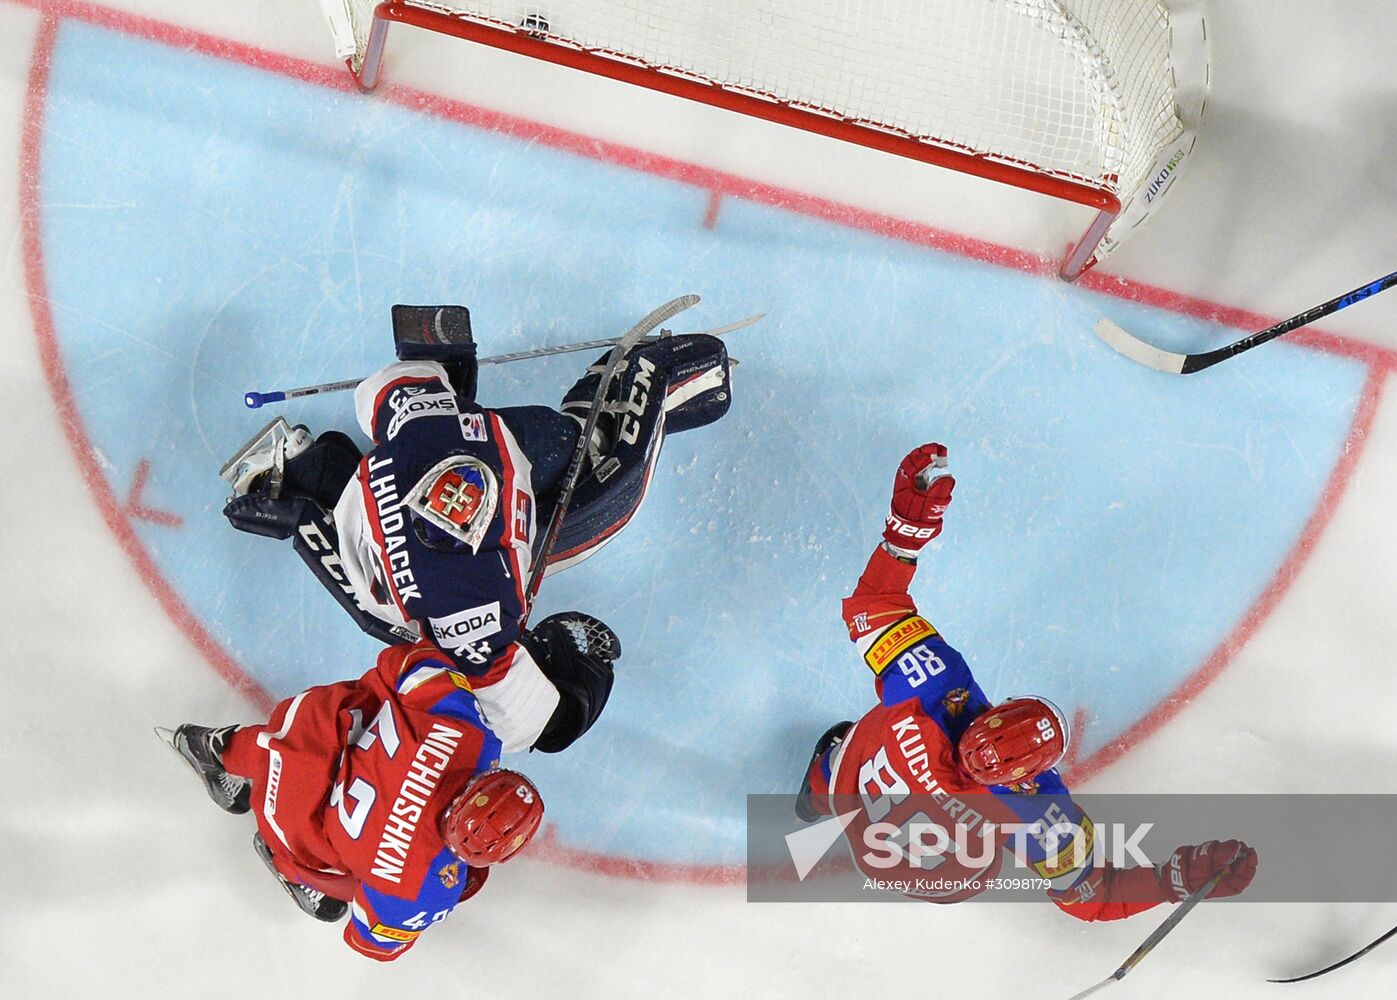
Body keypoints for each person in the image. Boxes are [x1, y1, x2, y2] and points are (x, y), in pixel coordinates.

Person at [220, 304, 732, 753]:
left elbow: (539, 722)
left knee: (576, 468)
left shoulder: (475, 605)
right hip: (368, 544)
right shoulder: (469, 603)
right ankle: (305, 471)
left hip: (370, 532)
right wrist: (300, 522)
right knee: (571, 455)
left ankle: (305, 471)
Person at [795, 443, 1258, 919]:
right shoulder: (1042, 815)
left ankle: (815, 792)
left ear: (993, 712)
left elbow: (876, 604)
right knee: (976, 861)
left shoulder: (933, 682)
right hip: (914, 872)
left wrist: (906, 534)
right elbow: (1094, 897)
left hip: (853, 782)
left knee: (850, 752)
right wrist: (1172, 880)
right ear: (1030, 777)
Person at [158, 635, 588, 961]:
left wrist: (382, 698)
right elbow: (369, 944)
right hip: (298, 833)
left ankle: (218, 748)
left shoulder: (474, 736)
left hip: (307, 756)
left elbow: (405, 660)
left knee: (305, 743)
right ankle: (288, 868)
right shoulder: (423, 891)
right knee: (346, 881)